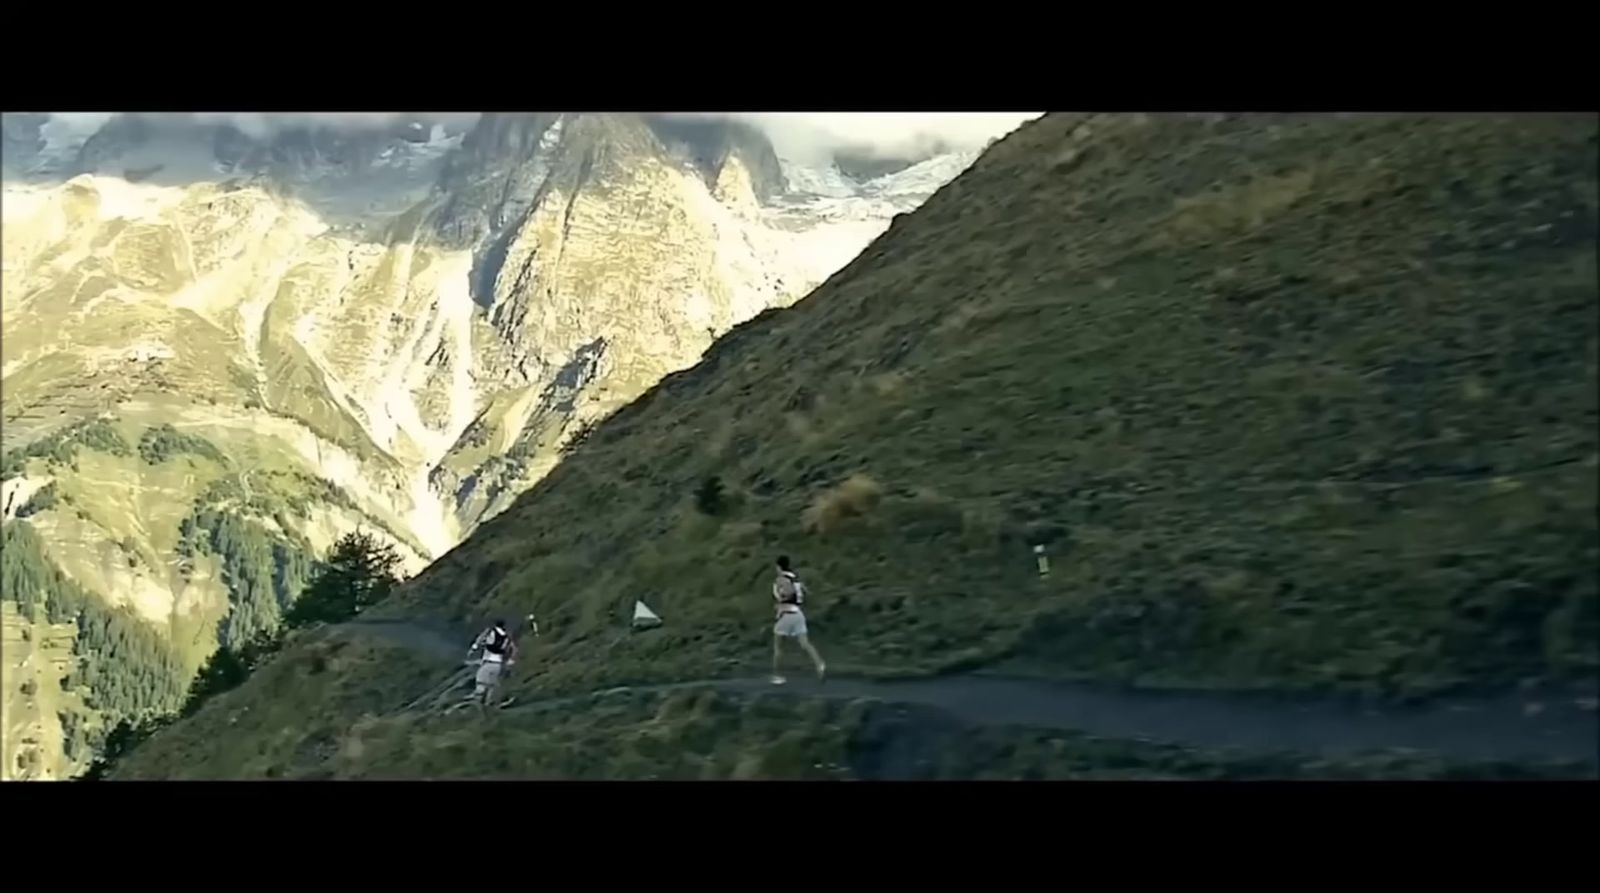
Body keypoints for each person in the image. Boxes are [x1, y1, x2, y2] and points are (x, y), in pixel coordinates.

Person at [770, 555, 826, 685]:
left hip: (786, 614)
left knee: (778, 647)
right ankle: (820, 664)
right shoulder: (795, 578)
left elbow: (788, 593)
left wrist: (781, 602)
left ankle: (777, 676)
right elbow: (806, 592)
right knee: (805, 643)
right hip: (798, 614)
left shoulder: (781, 579)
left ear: (778, 567)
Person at [464, 618, 520, 711]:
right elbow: (514, 648)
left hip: (488, 662)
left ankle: (477, 704)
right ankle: (491, 704)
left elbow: (480, 639)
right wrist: (511, 659)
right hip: (498, 664)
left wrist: (473, 649)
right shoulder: (507, 637)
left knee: (481, 682)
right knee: (492, 685)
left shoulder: (490, 631)